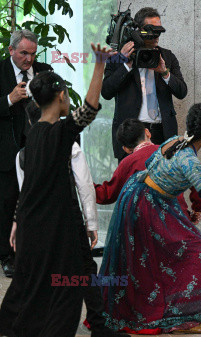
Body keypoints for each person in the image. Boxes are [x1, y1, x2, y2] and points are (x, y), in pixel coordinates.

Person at [99, 103, 201, 334]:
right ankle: (187, 318)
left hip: (144, 195)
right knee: (195, 249)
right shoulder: (190, 161)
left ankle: (172, 307)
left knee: (156, 256)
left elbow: (152, 165)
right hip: (148, 203)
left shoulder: (176, 140)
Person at [0, 44, 114, 337]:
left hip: (39, 224)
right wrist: (99, 64)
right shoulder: (60, 134)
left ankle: (99, 326)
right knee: (61, 290)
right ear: (62, 96)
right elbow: (89, 108)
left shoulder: (34, 136)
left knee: (42, 282)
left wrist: (17, 220)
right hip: (56, 228)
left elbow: (28, 188)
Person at [10, 102, 129, 337]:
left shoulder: (23, 154)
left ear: (30, 122)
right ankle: (98, 323)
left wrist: (20, 225)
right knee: (85, 268)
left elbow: (25, 194)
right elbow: (84, 186)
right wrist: (92, 224)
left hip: (37, 221)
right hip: (67, 216)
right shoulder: (68, 145)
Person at [102, 7, 187, 161]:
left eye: (159, 31)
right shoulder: (119, 57)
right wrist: (125, 64)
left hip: (162, 133)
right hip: (132, 134)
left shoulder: (167, 56)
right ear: (138, 31)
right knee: (133, 180)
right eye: (151, 31)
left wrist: (164, 72)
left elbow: (182, 92)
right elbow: (106, 92)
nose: (156, 36)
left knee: (162, 182)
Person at [0, 29, 52, 277]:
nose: (29, 59)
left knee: (37, 203)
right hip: (7, 151)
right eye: (23, 53)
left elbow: (58, 104)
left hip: (38, 149)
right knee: (7, 202)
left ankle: (36, 254)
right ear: (11, 50)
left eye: (32, 53)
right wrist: (9, 99)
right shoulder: (0, 71)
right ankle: (8, 256)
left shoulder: (45, 70)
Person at [94, 118, 201, 226]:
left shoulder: (127, 163)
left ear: (126, 149)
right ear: (147, 132)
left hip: (145, 228)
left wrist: (82, 184)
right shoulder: (173, 151)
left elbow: (107, 194)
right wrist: (198, 208)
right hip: (177, 219)